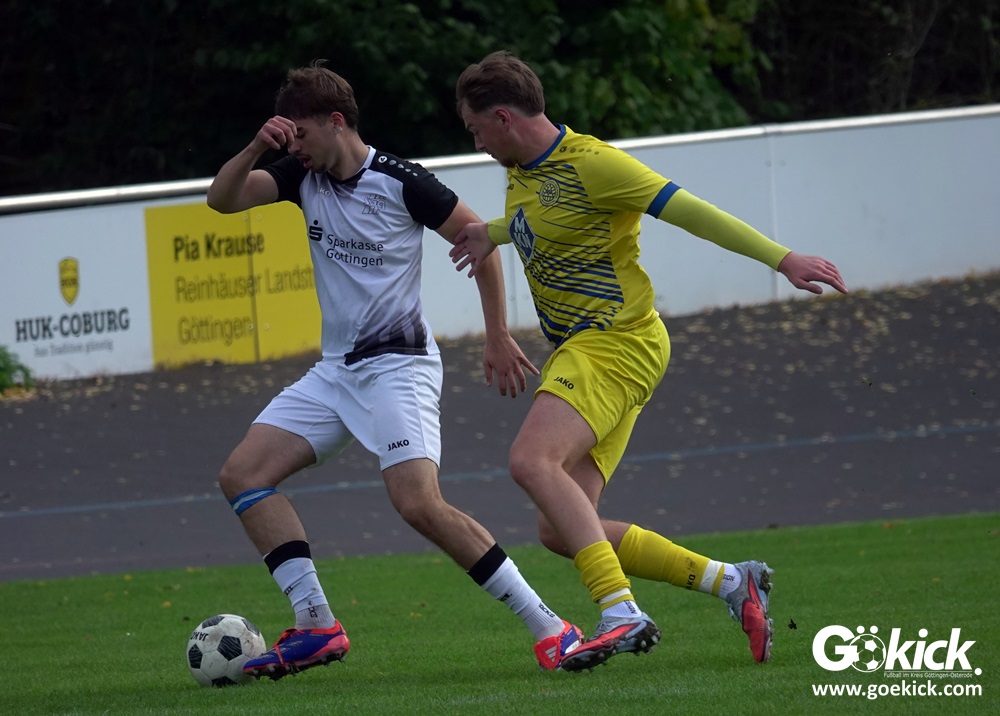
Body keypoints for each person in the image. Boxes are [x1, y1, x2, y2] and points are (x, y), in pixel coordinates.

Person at [450, 50, 849, 671]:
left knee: (531, 461)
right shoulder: (523, 170)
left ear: (503, 118)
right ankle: (731, 581)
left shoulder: (596, 164)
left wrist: (782, 259)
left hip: (614, 342)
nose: (477, 145)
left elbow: (691, 212)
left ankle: (620, 611)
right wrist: (492, 233)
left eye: (477, 130)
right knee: (561, 527)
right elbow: (543, 219)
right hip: (594, 349)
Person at [206, 60, 587, 679]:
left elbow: (480, 242)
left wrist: (496, 334)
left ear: (336, 121)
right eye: (287, 137)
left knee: (418, 504)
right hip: (336, 373)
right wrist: (257, 146)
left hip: (398, 367)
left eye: (301, 133)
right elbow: (222, 201)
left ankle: (552, 626)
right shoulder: (299, 175)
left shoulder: (401, 181)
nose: (294, 146)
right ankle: (317, 625)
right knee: (243, 475)